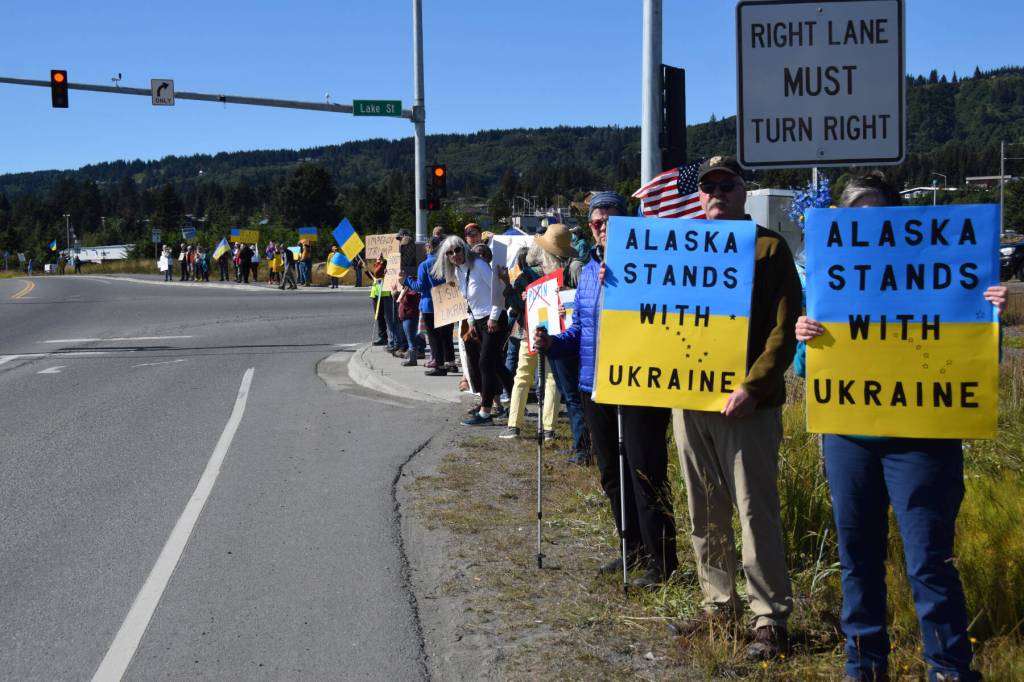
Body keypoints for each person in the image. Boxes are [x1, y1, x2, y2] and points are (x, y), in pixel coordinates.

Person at [794, 171, 1007, 682]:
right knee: (857, 558)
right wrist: (807, 338)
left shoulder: (942, 271)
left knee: (929, 562)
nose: (867, 228)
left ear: (900, 219)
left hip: (924, 438)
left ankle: (949, 668)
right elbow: (806, 368)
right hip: (849, 437)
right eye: (854, 220)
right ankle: (863, 667)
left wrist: (989, 317)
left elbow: (975, 361)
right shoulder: (832, 278)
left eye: (876, 217)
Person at [669, 156, 801, 660]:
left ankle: (768, 617)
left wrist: (753, 386)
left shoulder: (770, 247)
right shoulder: (681, 244)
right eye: (709, 186)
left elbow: (784, 330)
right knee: (704, 511)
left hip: (748, 406)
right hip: (689, 401)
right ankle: (717, 606)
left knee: (755, 511)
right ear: (698, 195)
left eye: (728, 185)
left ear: (745, 192)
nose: (717, 192)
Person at [535, 191, 677, 588]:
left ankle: (662, 561)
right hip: (592, 383)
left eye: (609, 220)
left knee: (645, 473)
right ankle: (632, 548)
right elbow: (582, 330)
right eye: (596, 222)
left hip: (636, 384)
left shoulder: (648, 265)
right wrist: (554, 343)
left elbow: (660, 318)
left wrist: (622, 283)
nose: (601, 228)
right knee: (612, 476)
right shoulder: (588, 272)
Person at [433, 235, 513, 425]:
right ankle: (519, 398)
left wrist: (493, 318)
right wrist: (471, 322)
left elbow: (499, 290)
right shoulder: (459, 270)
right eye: (450, 253)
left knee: (485, 363)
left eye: (457, 250)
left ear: (464, 249)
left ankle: (485, 413)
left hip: (493, 319)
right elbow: (468, 300)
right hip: (478, 320)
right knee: (495, 365)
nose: (454, 255)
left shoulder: (479, 265)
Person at [417, 236, 455, 376]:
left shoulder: (425, 265)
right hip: (448, 300)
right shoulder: (448, 261)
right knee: (447, 336)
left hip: (430, 304)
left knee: (434, 337)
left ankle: (439, 366)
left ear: (428, 247)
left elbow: (420, 287)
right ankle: (451, 363)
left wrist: (407, 281)